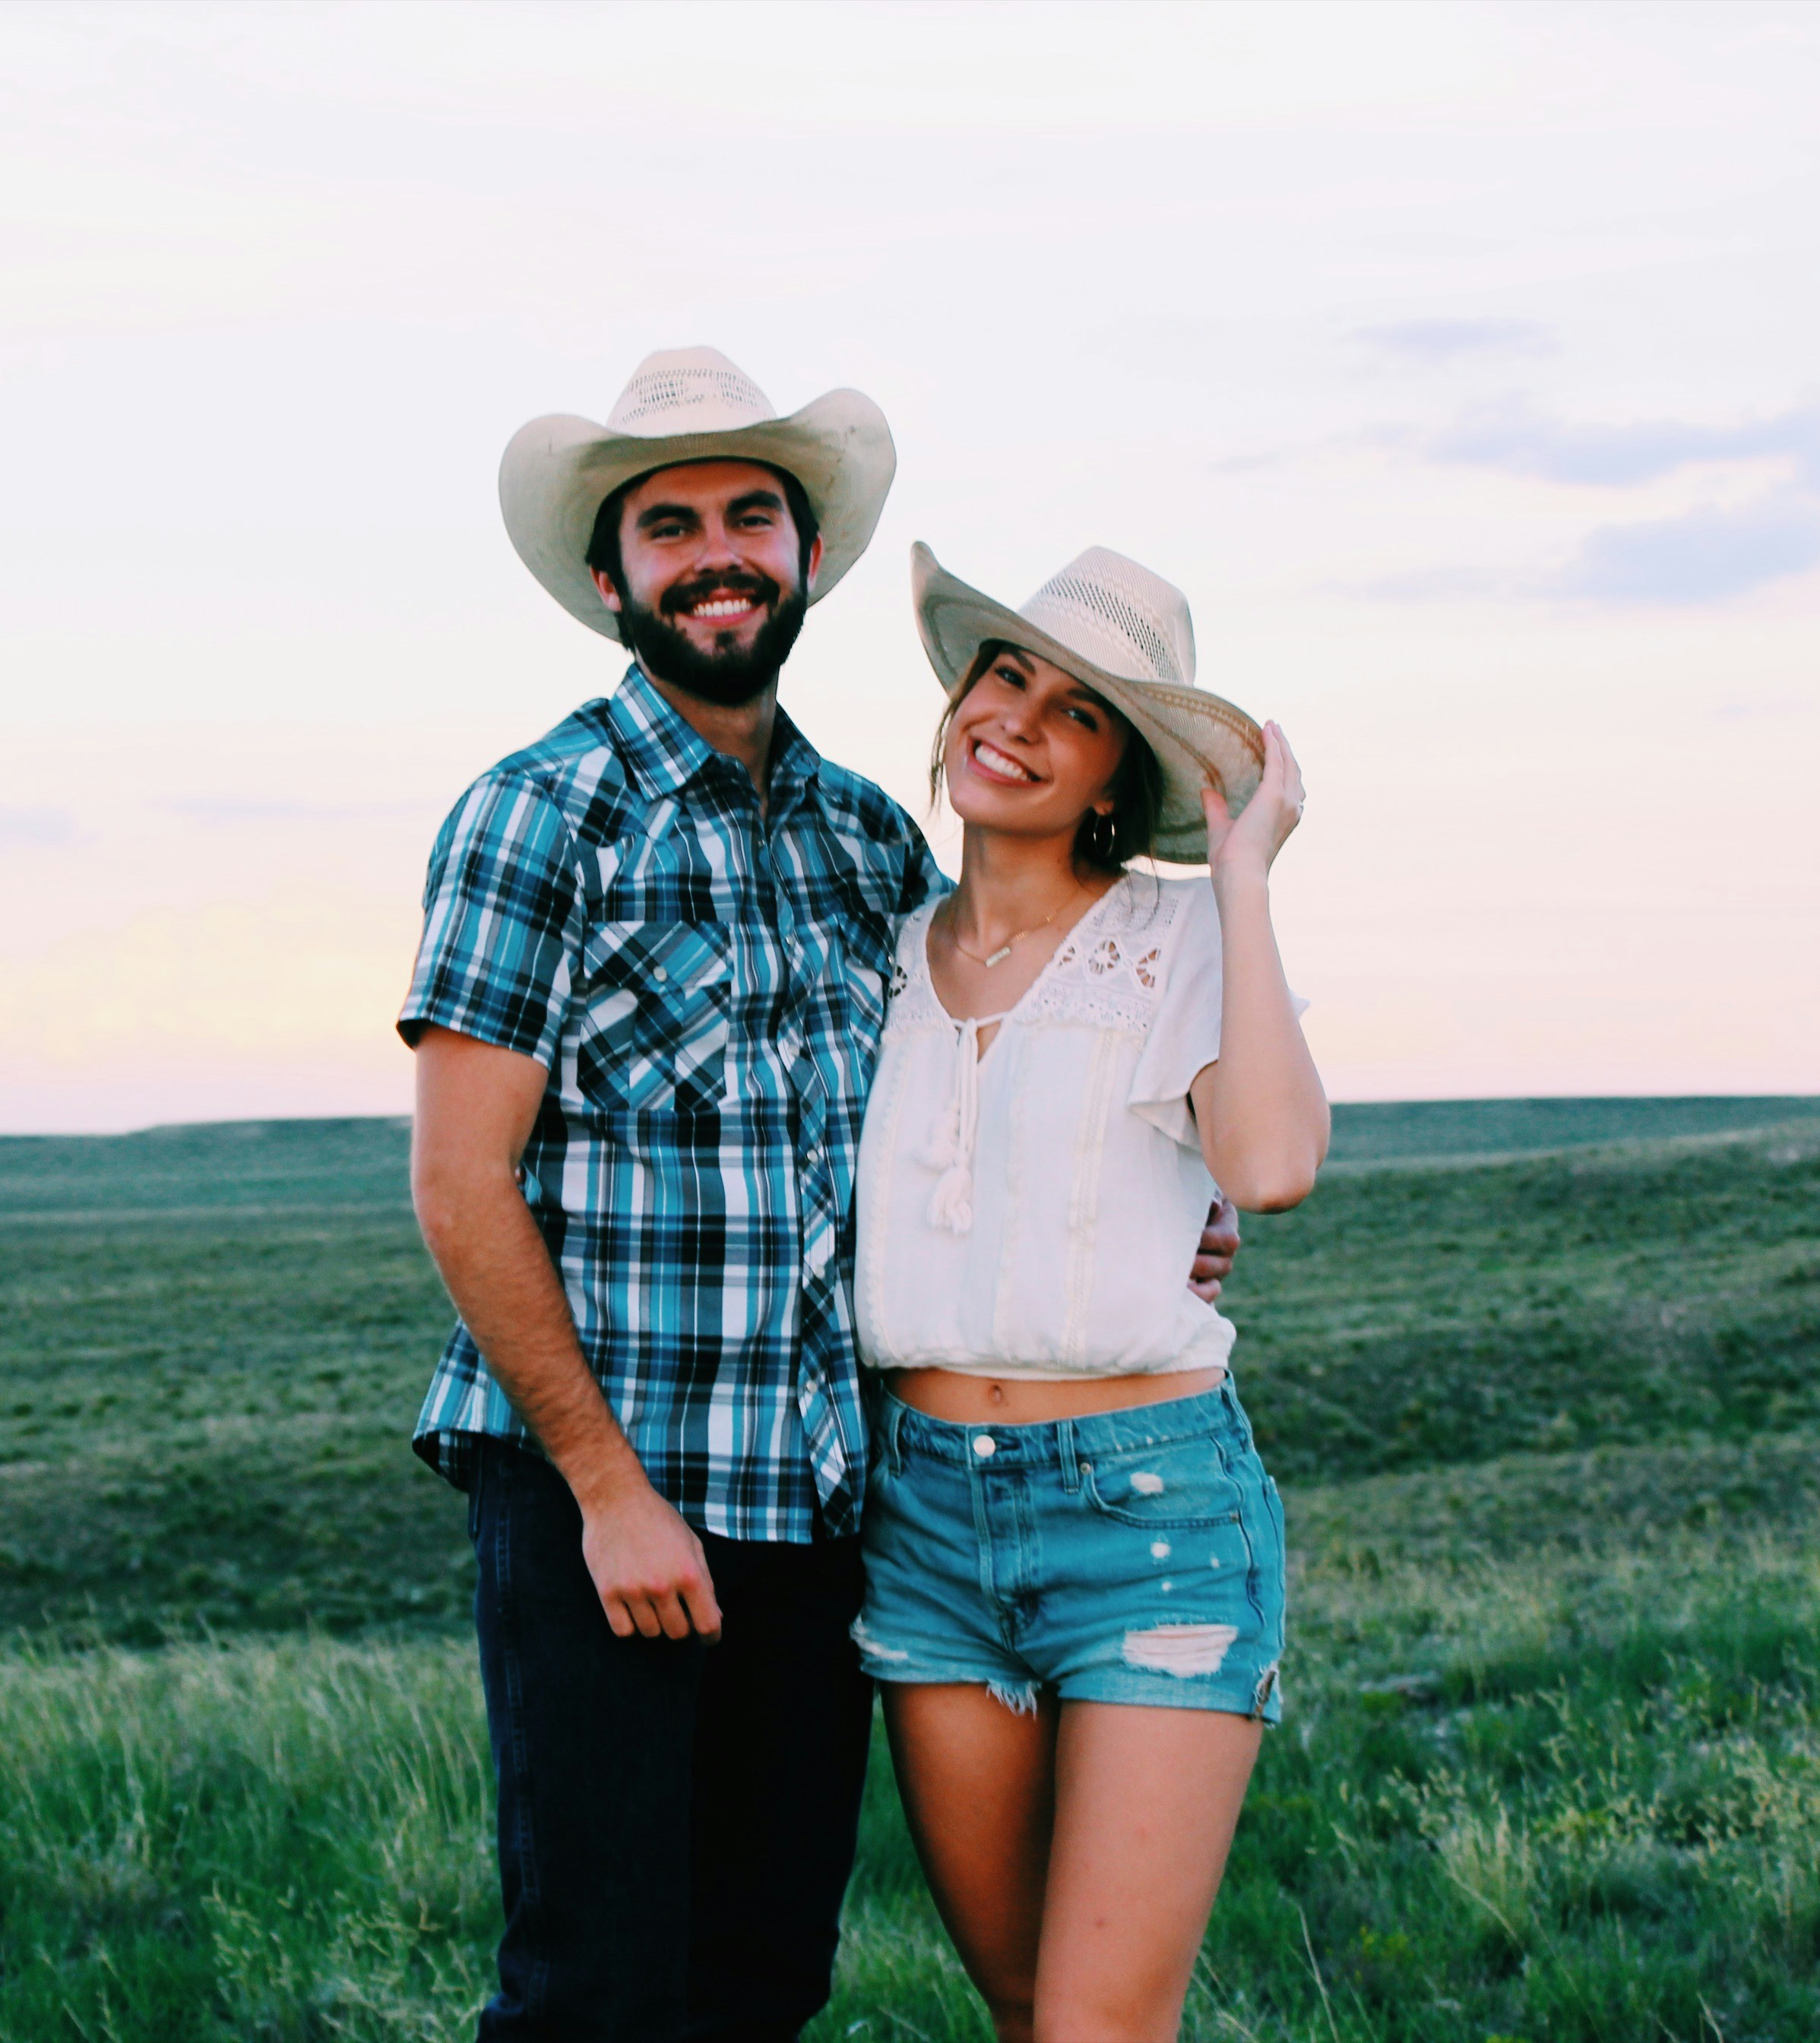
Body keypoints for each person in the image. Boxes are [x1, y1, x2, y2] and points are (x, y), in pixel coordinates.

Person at [397, 350, 1246, 2039]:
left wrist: (1167, 1209)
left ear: (800, 561)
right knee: (592, 1995)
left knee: (762, 1986)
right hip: (611, 1507)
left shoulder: (869, 847)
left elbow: (980, 1094)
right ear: (610, 576)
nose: (717, 552)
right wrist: (604, 1491)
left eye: (750, 519)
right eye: (671, 526)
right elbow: (458, 1178)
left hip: (816, 1512)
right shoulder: (540, 814)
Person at [853, 543, 1326, 2043]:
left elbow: (1267, 1164)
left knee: (1096, 2031)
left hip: (1149, 1519)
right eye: (1006, 677)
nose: (1020, 720)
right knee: (1020, 2005)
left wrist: (1240, 879)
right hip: (921, 1517)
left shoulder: (1177, 939)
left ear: (1119, 781)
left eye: (1079, 711)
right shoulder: (873, 958)